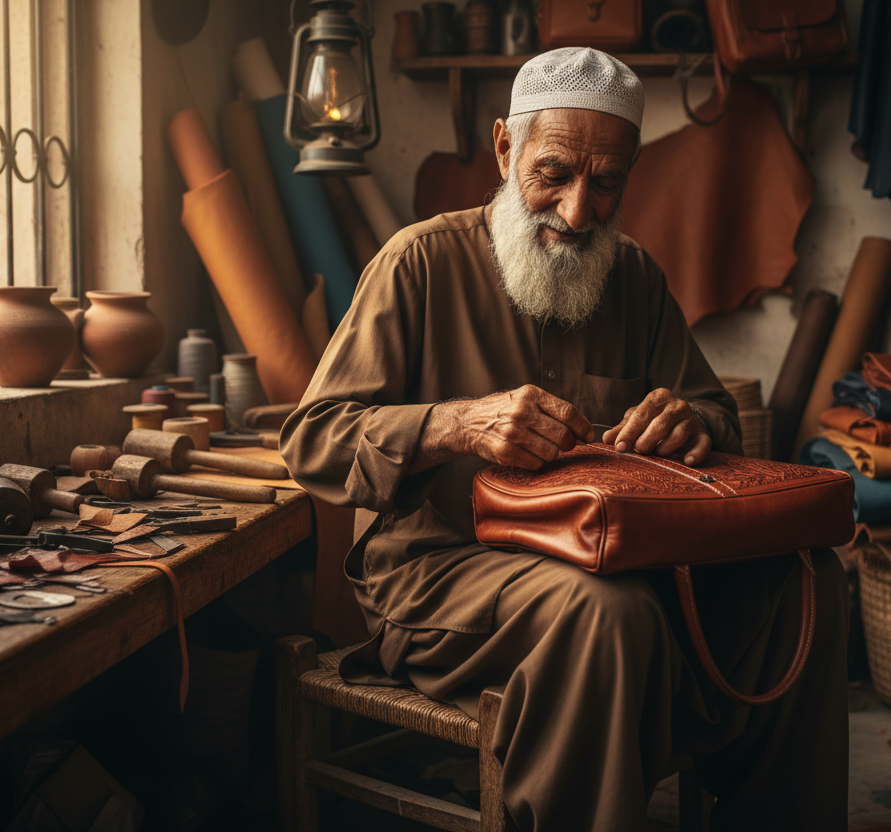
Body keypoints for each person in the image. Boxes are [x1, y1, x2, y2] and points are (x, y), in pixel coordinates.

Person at [280, 47, 848, 832]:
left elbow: (716, 414)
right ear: (506, 148)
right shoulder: (419, 261)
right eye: (554, 174)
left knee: (804, 581)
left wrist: (690, 424)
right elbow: (311, 441)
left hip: (615, 558)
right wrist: (457, 422)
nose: (579, 212)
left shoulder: (636, 277)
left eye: (607, 182)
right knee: (609, 618)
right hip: (441, 571)